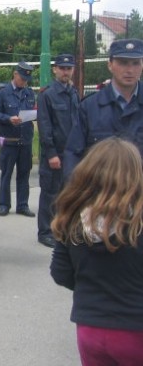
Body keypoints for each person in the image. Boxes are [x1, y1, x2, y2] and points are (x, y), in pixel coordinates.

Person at [50, 137, 143, 366]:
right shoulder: (137, 222)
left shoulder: (72, 218)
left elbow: (60, 273)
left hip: (90, 328)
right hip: (135, 328)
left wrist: (92, 285)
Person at [64, 38, 143, 178]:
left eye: (135, 63)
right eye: (123, 63)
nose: (130, 70)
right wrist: (78, 195)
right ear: (110, 65)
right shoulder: (90, 107)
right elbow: (74, 155)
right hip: (100, 194)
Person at [36, 54, 79, 248]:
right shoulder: (48, 94)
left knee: (68, 193)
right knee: (50, 194)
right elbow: (45, 127)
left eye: (69, 68)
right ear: (55, 69)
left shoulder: (73, 92)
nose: (66, 72)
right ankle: (45, 231)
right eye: (62, 68)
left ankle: (62, 228)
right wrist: (51, 153)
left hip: (71, 153)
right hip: (54, 155)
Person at [0, 61, 36, 217]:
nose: (24, 82)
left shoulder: (29, 93)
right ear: (15, 74)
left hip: (25, 140)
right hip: (9, 140)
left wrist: (34, 116)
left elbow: (33, 110)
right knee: (6, 173)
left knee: (24, 174)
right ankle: (4, 204)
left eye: (26, 80)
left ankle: (22, 205)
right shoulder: (3, 93)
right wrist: (9, 118)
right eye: (22, 78)